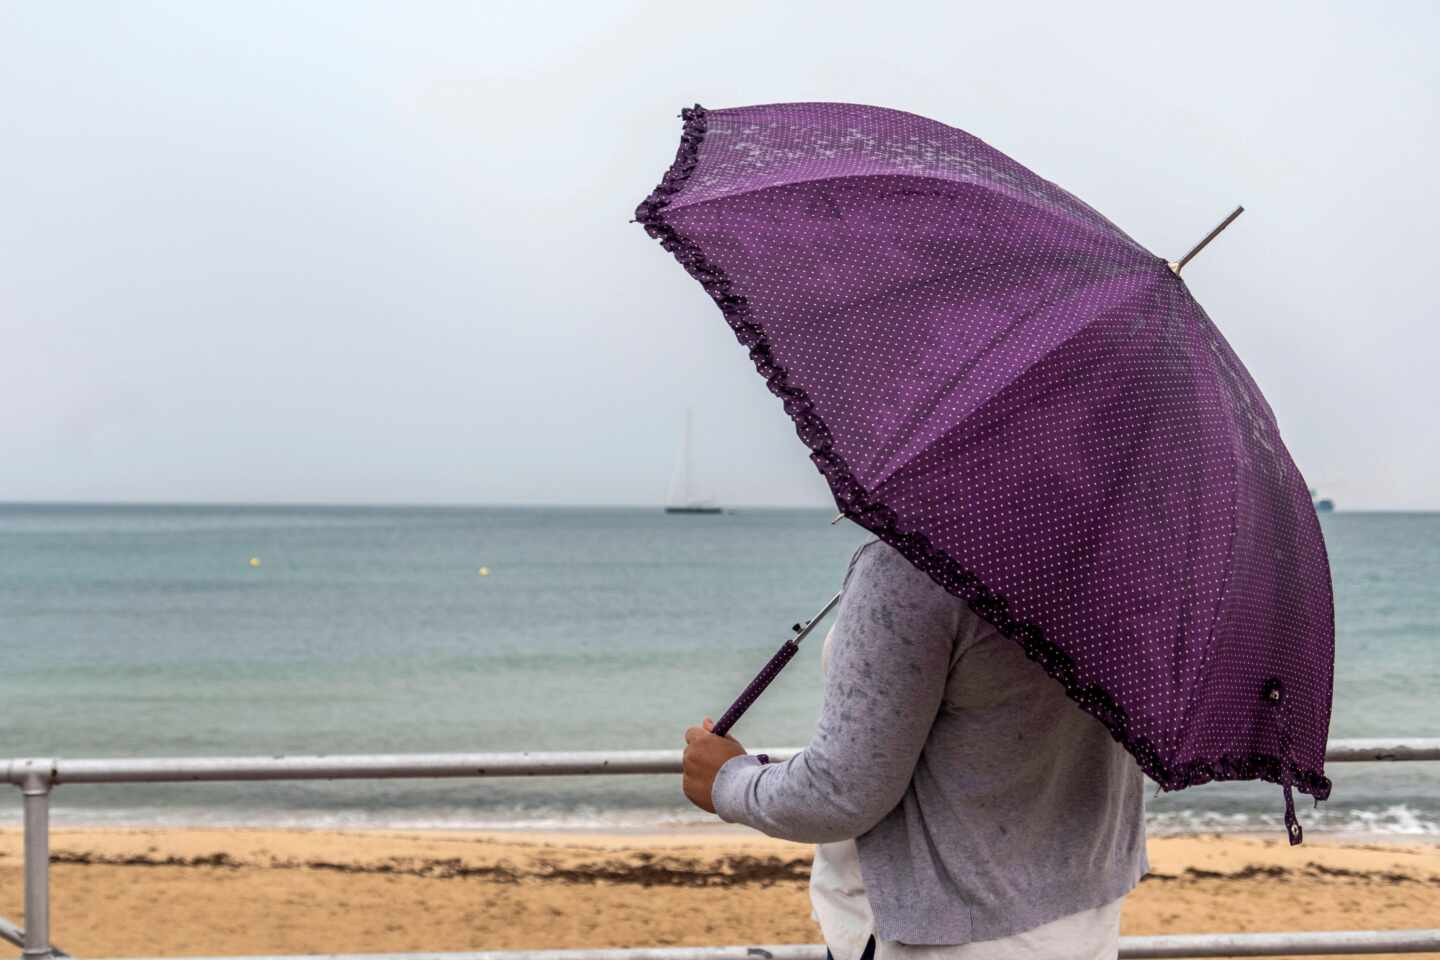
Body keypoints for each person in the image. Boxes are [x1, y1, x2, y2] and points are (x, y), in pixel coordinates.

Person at [683, 536, 1148, 960]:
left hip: (938, 940)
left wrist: (728, 780)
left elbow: (840, 794)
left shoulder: (915, 565)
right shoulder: (1127, 555)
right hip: (1082, 921)